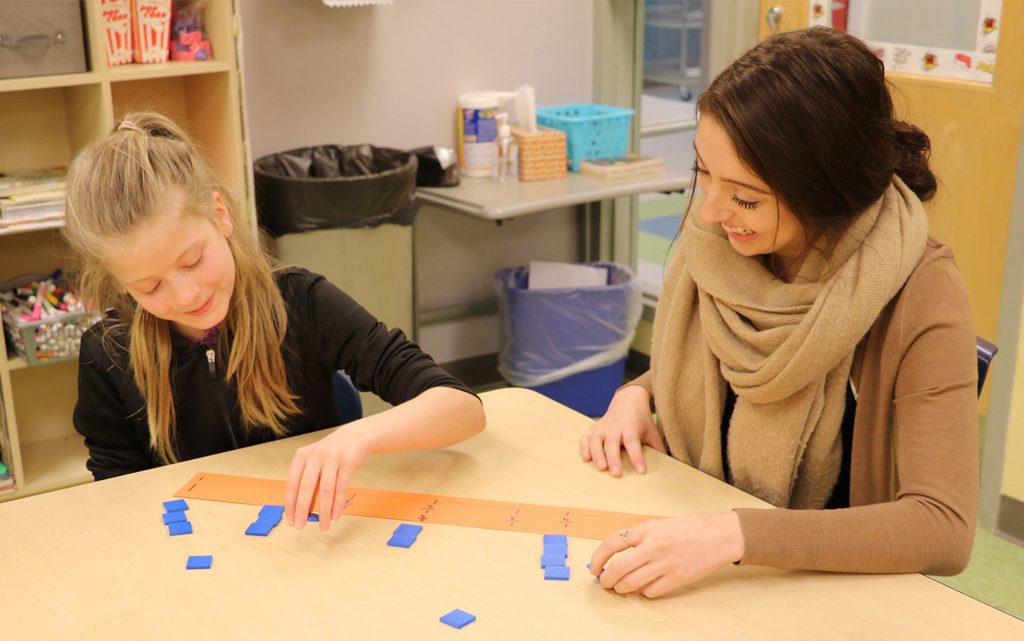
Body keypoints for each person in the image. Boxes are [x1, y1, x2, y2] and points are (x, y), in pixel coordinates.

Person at [580, 27, 978, 598]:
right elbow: (714, 361)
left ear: (824, 192)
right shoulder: (722, 246)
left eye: (745, 196)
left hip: (822, 592)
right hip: (710, 566)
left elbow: (942, 526)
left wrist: (733, 536)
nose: (712, 212)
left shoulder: (922, 290)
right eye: (702, 173)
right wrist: (638, 391)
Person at [63, 112, 485, 531]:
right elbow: (117, 496)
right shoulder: (107, 354)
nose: (186, 295)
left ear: (220, 213)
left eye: (192, 260)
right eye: (150, 287)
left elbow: (462, 407)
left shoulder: (301, 302)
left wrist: (358, 436)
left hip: (313, 542)